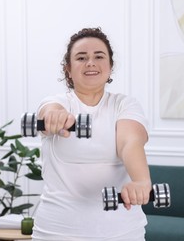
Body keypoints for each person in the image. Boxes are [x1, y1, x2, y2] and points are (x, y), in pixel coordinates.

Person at [32, 27, 152, 241]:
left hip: (122, 233)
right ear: (68, 68)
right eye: (81, 57)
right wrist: (55, 117)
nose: (90, 62)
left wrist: (141, 181)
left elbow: (130, 142)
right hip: (56, 231)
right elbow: (49, 111)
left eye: (99, 56)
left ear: (110, 66)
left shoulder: (125, 105)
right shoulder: (58, 102)